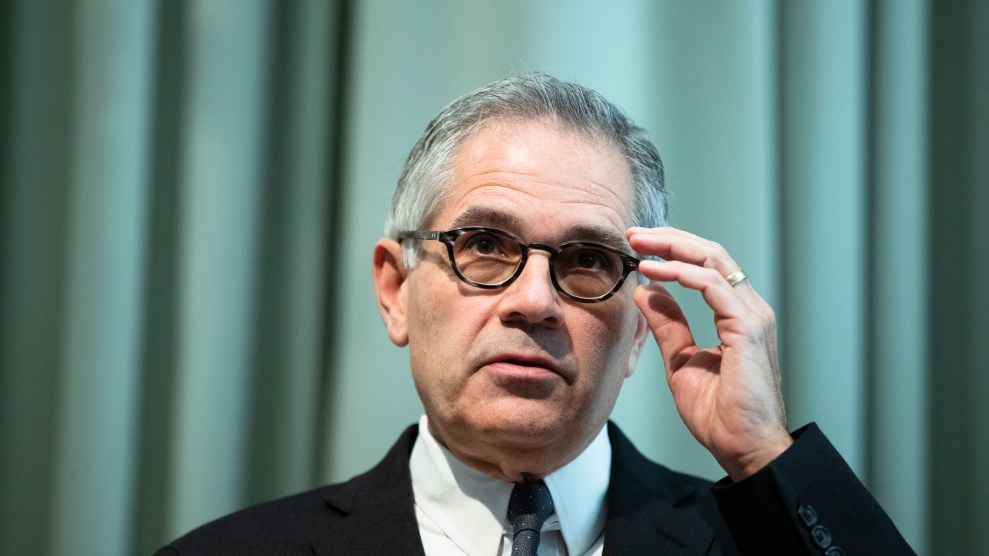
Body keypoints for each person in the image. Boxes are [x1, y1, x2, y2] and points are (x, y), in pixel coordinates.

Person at [157, 72, 914, 555]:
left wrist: (764, 458)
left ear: (640, 328)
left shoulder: (766, 538)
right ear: (395, 291)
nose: (533, 301)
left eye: (586, 261)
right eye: (484, 245)